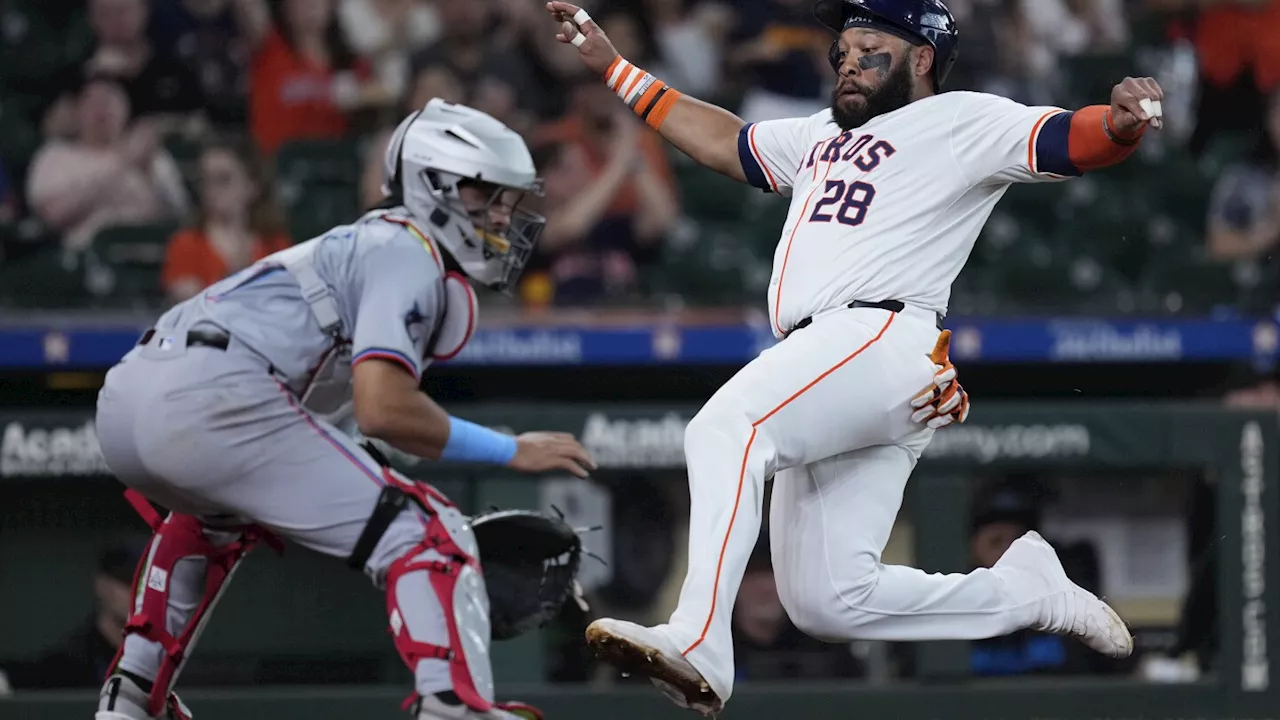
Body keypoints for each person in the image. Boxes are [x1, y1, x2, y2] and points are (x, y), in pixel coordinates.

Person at [547, 0, 1155, 713]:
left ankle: (698, 638)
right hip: (840, 359)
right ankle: (1021, 592)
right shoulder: (818, 134)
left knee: (725, 428)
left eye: (870, 45)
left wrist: (1119, 126)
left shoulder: (959, 119)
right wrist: (619, 71)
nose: (847, 58)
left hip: (880, 334)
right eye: (843, 48)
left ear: (921, 58)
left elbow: (1067, 140)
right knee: (829, 599)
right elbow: (728, 141)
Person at [92, 99, 594, 720]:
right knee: (427, 532)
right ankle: (450, 706)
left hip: (134, 396)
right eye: (485, 195)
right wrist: (509, 449)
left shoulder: (363, 245)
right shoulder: (407, 248)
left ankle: (131, 698)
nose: (500, 217)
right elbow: (384, 408)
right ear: (434, 186)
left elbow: (343, 424)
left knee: (211, 520)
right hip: (217, 396)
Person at [26, 76, 189, 253]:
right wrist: (123, 164)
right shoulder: (55, 155)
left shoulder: (152, 156)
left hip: (154, 255)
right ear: (78, 111)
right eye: (94, 102)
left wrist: (149, 173)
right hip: (90, 261)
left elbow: (179, 215)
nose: (102, 110)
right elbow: (53, 215)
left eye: (111, 102)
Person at [3, 540, 146, 689]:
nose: (137, 592)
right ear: (102, 585)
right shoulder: (73, 664)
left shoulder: (164, 661)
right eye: (127, 581)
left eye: (145, 583)